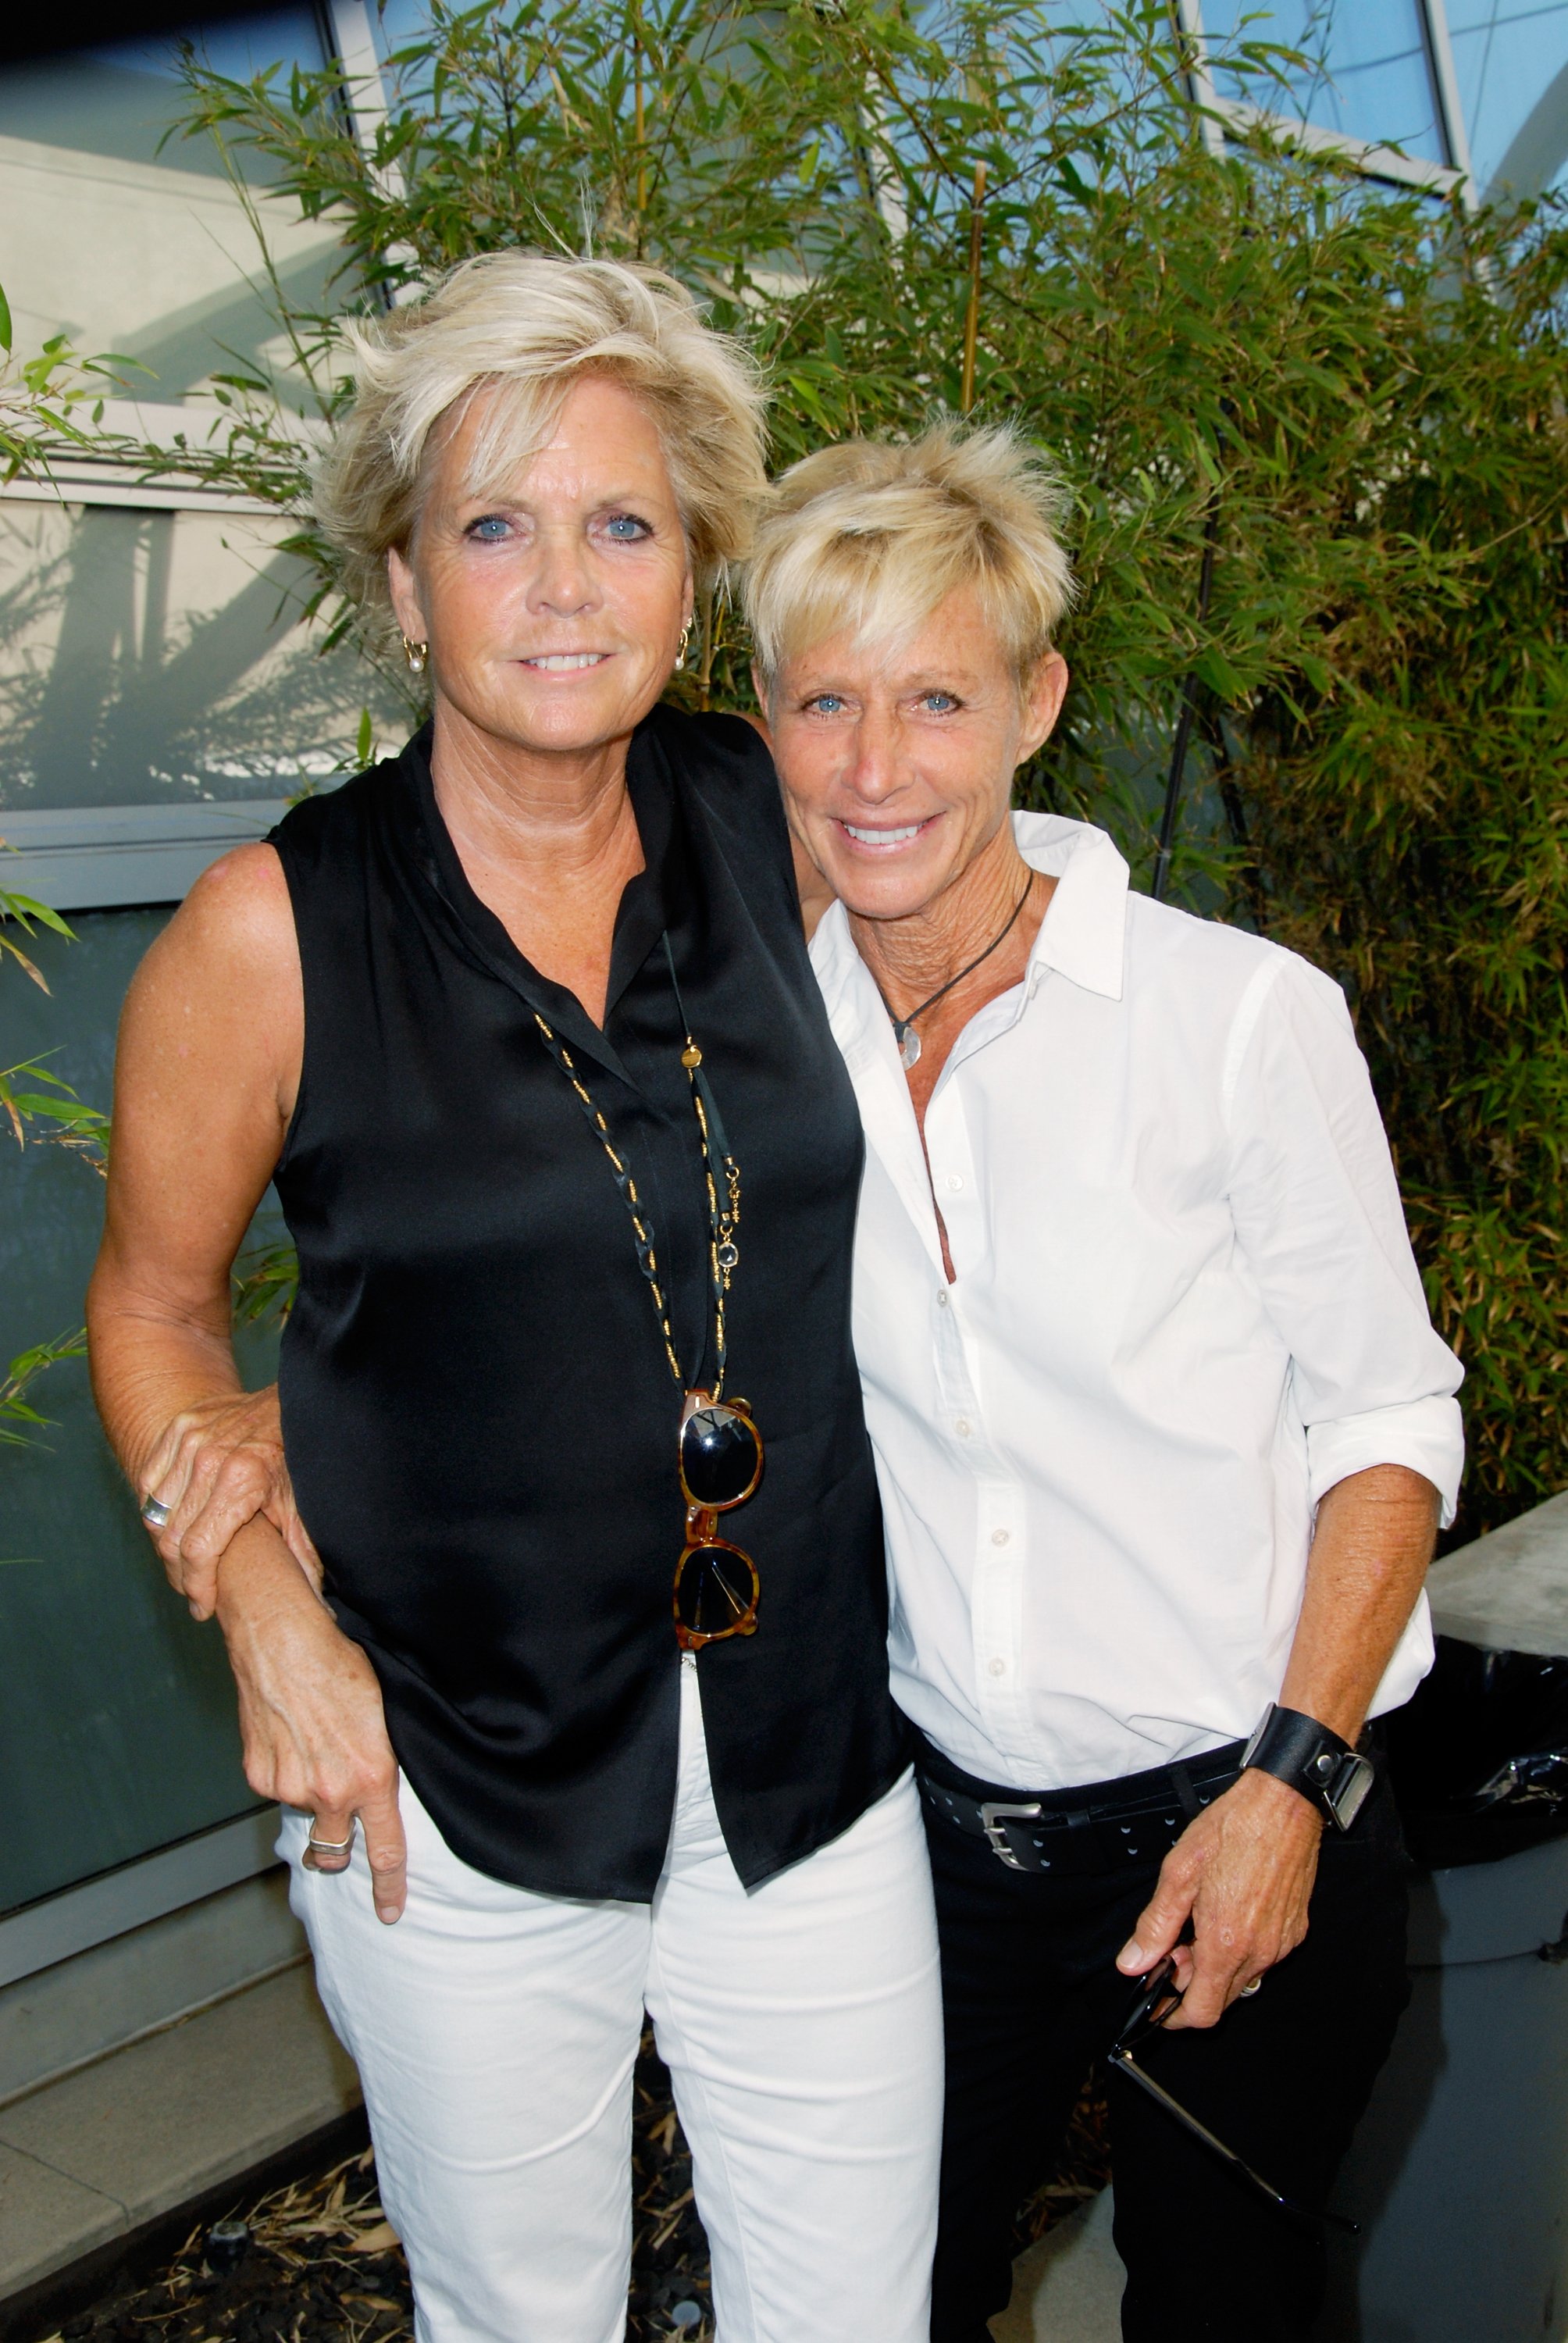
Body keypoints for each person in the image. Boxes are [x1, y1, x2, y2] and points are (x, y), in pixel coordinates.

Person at [86, 255, 943, 2343]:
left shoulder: (773, 814)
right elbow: (152, 1309)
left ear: (689, 570)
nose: (565, 586)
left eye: (622, 525)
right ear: (401, 583)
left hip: (809, 1759)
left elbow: (997, 902)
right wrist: (272, 1624)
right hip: (442, 1789)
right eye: (495, 525)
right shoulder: (269, 931)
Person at [742, 426, 1465, 2343]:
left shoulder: (1232, 1021)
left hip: (1245, 1804)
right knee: (878, 2292)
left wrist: (1287, 1790)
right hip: (933, 1846)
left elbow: (1386, 1426)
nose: (873, 768)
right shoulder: (746, 1051)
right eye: (822, 701)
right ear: (762, 719)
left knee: (1219, 2303)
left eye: (933, 699)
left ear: (1035, 704)